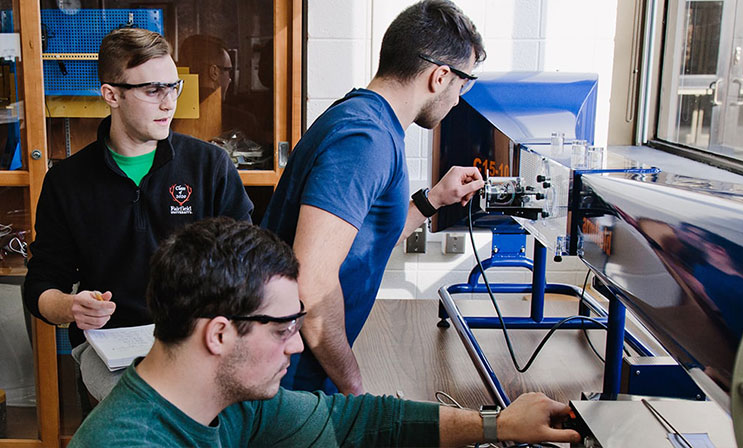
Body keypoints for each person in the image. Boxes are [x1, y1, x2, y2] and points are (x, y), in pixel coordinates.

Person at [68, 217, 581, 447]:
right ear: (219, 334)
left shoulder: (227, 397)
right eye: (283, 328)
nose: (297, 343)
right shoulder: (127, 441)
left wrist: (496, 425)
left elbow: (356, 421)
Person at [262, 0, 486, 395]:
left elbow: (362, 236)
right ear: (440, 76)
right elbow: (311, 283)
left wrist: (434, 200)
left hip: (299, 365)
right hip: (291, 378)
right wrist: (354, 387)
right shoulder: (366, 140)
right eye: (463, 85)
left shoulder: (363, 119)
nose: (458, 100)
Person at [22, 28, 253, 401]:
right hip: (109, 350)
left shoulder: (210, 165)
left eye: (172, 87)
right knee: (139, 416)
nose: (168, 103)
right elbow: (41, 284)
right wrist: (70, 307)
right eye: (152, 90)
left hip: (198, 342)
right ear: (111, 94)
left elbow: (248, 264)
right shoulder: (66, 182)